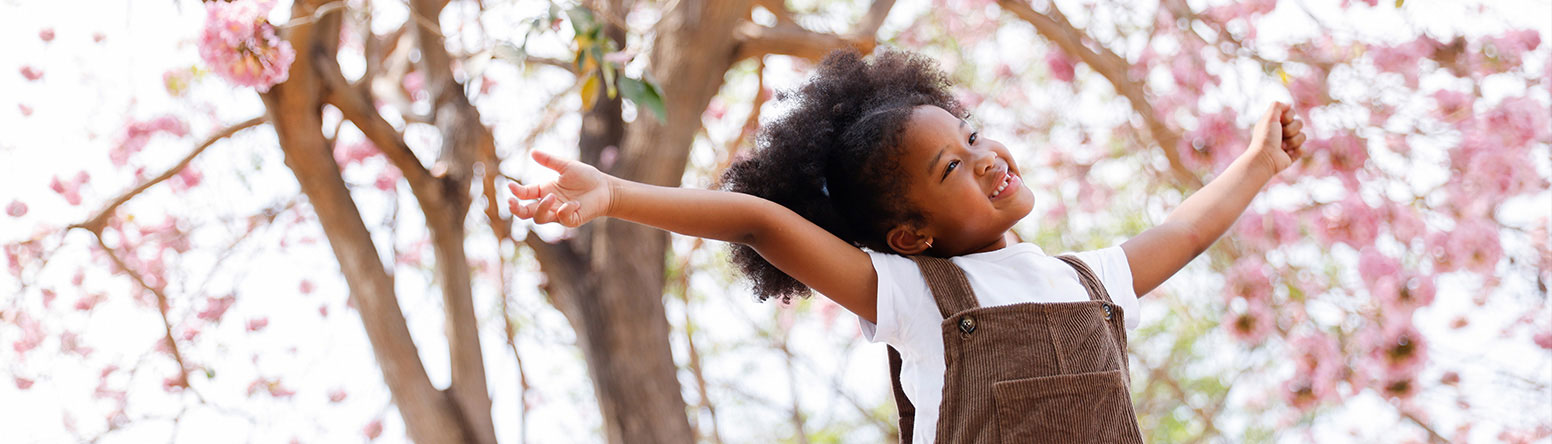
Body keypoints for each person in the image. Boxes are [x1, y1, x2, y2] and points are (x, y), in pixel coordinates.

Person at [506, 50, 1305, 443]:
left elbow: (1189, 228)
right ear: (910, 235)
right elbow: (759, 223)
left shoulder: (1087, 279)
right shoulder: (917, 296)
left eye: (973, 136)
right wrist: (617, 196)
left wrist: (1259, 161)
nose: (986, 157)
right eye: (953, 165)